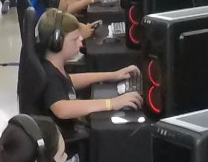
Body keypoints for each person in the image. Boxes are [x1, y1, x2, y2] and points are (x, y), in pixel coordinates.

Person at [35, 9, 142, 140]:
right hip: (66, 142)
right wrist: (112, 103)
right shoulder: (49, 74)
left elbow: (68, 81)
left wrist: (113, 75)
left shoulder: (52, 66)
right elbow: (62, 109)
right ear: (56, 43)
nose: (81, 41)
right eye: (75, 39)